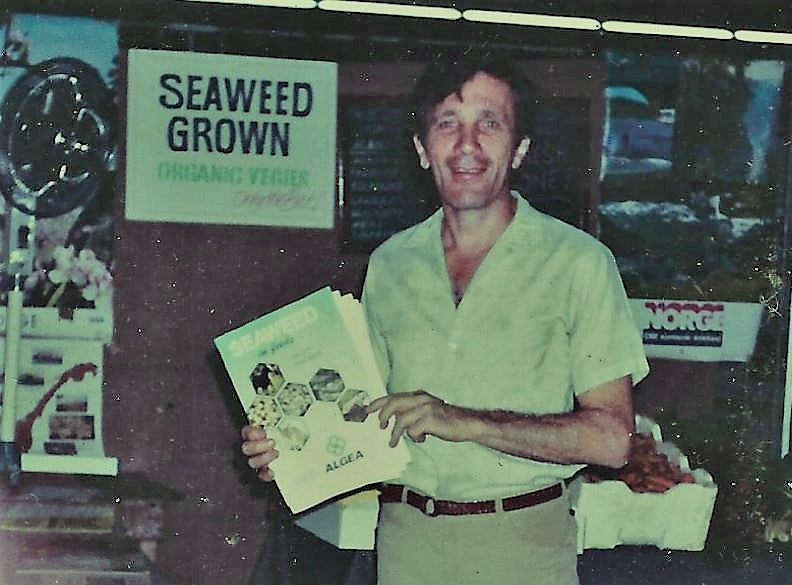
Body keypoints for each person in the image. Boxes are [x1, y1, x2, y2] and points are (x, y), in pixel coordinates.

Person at [242, 49, 649, 585]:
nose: (467, 145)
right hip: (407, 543)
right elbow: (363, 413)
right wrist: (293, 447)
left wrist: (467, 422)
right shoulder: (390, 264)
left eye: (490, 123)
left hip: (522, 545)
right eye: (447, 124)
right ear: (421, 149)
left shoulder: (578, 263)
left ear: (520, 148)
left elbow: (611, 440)